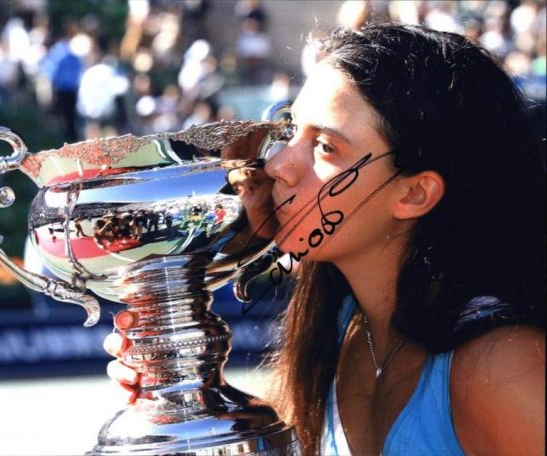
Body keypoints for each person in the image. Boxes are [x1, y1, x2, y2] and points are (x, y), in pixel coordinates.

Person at [103, 23, 545, 455]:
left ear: (414, 193)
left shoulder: (500, 370)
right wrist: (181, 391)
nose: (278, 165)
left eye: (325, 147)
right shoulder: (343, 325)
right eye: (291, 130)